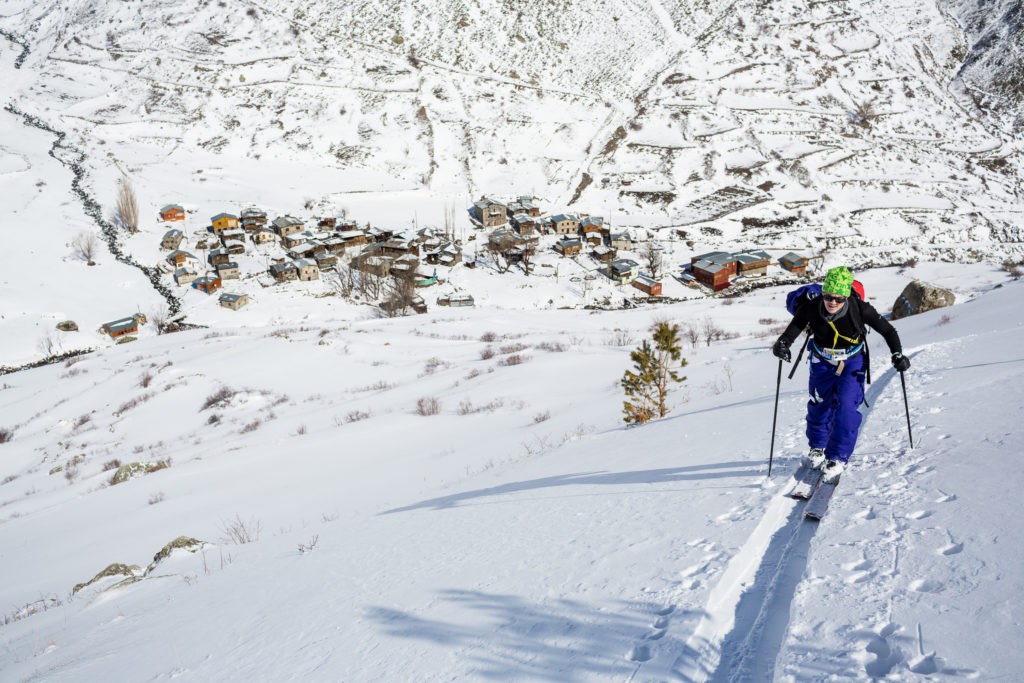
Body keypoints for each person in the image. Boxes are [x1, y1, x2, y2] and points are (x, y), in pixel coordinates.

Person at [773, 266, 910, 482]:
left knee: (846, 407)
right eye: (828, 296)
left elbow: (888, 330)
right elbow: (794, 327)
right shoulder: (812, 307)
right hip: (821, 361)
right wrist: (782, 344)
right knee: (820, 405)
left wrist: (897, 354)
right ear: (823, 293)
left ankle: (837, 456)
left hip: (852, 362)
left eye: (838, 298)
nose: (832, 302)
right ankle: (817, 447)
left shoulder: (860, 308)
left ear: (846, 296)